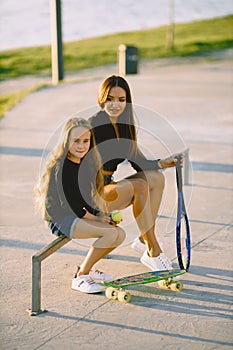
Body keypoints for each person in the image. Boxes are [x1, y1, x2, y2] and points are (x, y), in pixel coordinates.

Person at [89, 75, 183, 272]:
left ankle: (143, 238)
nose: (115, 104)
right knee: (139, 186)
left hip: (108, 186)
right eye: (110, 98)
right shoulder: (93, 126)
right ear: (101, 99)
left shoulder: (124, 127)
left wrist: (163, 163)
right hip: (90, 194)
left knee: (156, 178)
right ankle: (153, 251)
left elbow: (138, 163)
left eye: (121, 100)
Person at [34, 117, 125, 294]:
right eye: (76, 141)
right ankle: (80, 277)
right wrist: (98, 219)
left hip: (77, 215)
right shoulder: (61, 167)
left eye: (86, 141)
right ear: (66, 141)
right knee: (109, 233)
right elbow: (71, 205)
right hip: (61, 219)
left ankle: (87, 269)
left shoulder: (85, 163)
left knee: (120, 234)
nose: (81, 146)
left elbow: (85, 199)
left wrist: (101, 215)